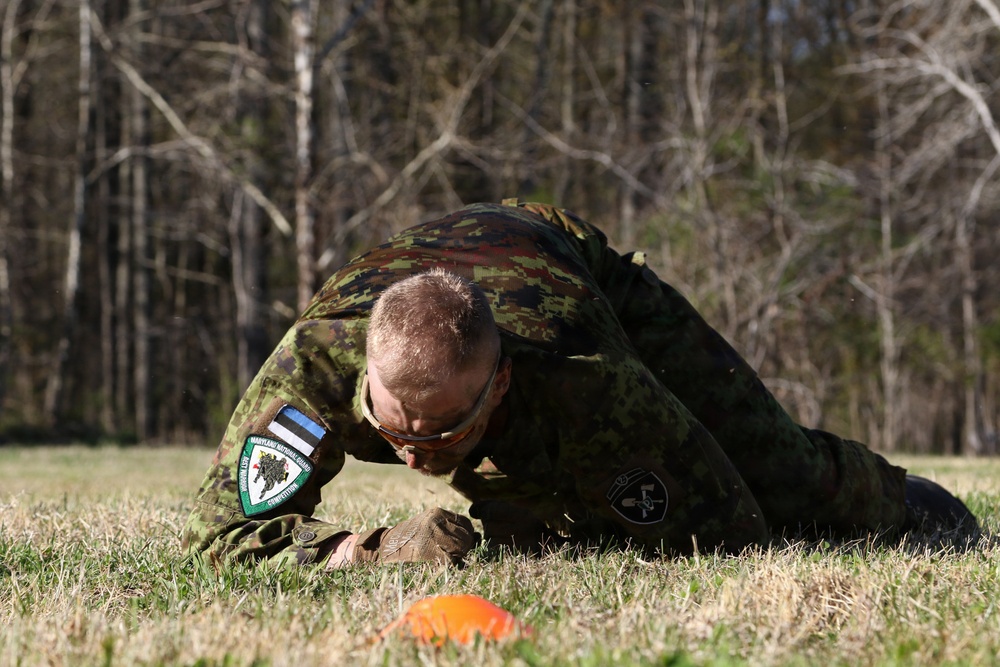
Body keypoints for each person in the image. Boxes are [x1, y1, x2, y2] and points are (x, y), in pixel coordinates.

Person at [181, 199, 979, 569]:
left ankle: (912, 502)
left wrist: (570, 519)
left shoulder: (582, 372)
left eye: (445, 434)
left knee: (780, 473)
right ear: (363, 383)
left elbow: (729, 535)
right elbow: (221, 537)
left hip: (565, 265)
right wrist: (369, 551)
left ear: (498, 388)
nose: (418, 458)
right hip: (428, 271)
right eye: (395, 433)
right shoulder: (316, 360)